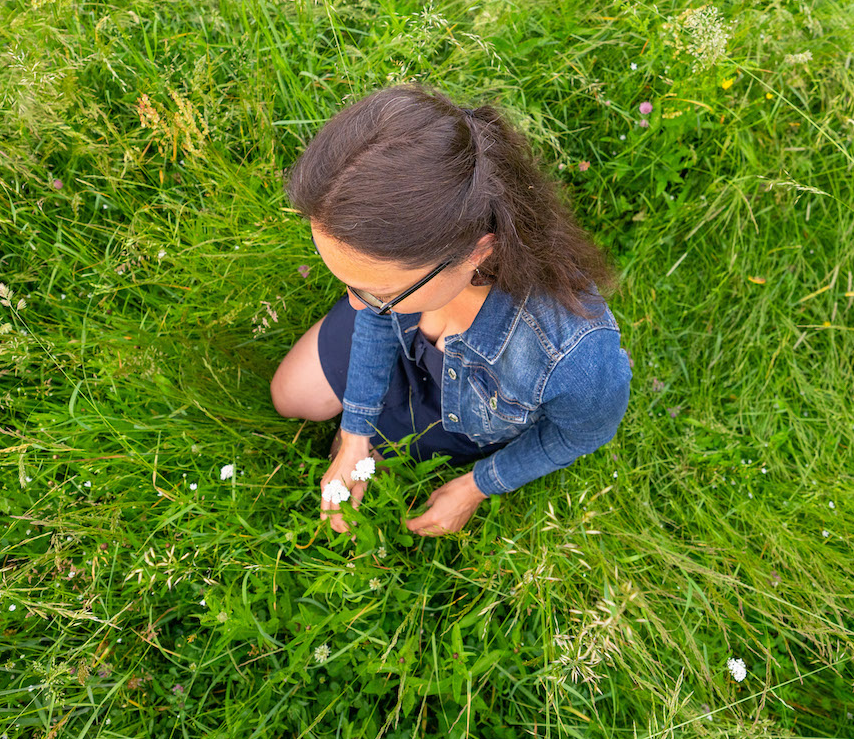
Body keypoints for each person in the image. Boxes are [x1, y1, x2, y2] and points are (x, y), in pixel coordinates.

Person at [270, 82, 633, 537]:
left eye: (375, 291)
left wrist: (476, 486)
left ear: (476, 253)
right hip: (404, 337)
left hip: (459, 409)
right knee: (290, 397)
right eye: (345, 282)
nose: (355, 305)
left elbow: (578, 435)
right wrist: (355, 433)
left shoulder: (572, 356)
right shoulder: (402, 280)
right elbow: (375, 318)